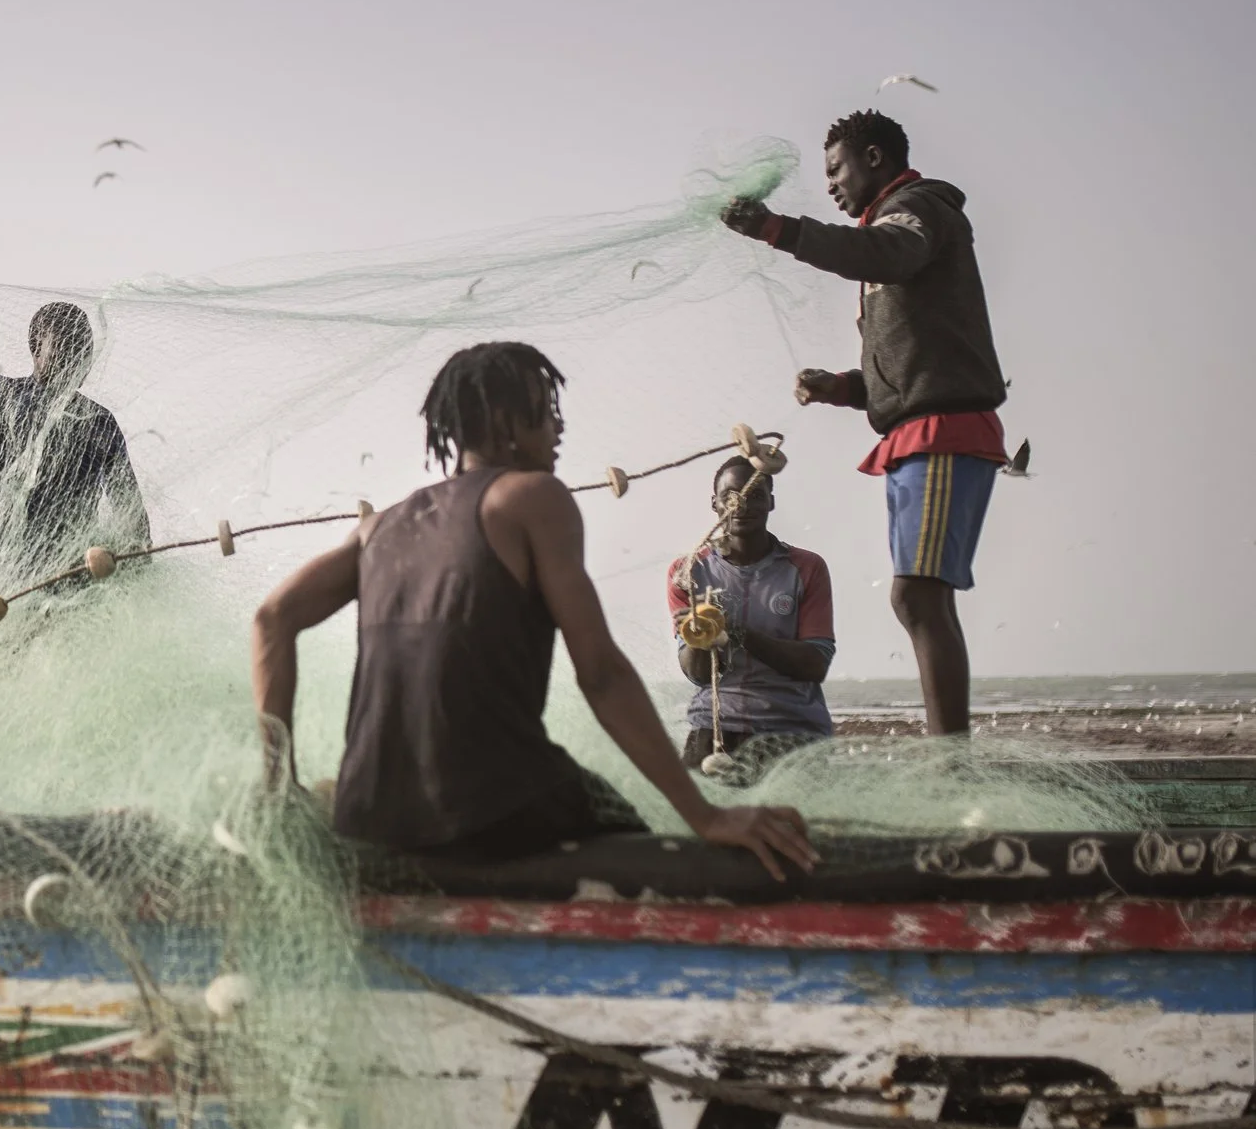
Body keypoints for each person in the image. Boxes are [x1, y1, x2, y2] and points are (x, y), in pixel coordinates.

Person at [250, 343, 817, 878]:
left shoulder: (380, 525)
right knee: (639, 830)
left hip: (367, 813)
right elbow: (601, 674)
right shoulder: (532, 498)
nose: (559, 428)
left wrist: (278, 785)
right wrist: (707, 816)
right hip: (493, 806)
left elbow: (271, 619)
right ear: (504, 422)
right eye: (546, 411)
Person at [722, 110, 1007, 735]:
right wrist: (845, 387)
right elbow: (910, 365)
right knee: (921, 597)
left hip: (945, 431)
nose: (829, 184)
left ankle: (949, 761)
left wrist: (775, 228)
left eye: (836, 169)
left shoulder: (915, 209)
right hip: (913, 435)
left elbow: (888, 254)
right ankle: (949, 752)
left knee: (917, 596)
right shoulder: (890, 223)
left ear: (874, 158)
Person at [0, 276, 150, 580]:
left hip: (74, 590)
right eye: (64, 346)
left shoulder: (99, 421)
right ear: (35, 347)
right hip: (4, 586)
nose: (75, 357)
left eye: (83, 348)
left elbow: (132, 518)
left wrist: (127, 555)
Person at [667, 459, 836, 769]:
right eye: (730, 496)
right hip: (714, 731)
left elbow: (815, 664)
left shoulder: (807, 567)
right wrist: (699, 636)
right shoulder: (688, 572)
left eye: (755, 495)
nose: (741, 505)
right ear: (715, 504)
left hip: (795, 729)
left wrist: (735, 630)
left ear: (771, 502)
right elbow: (699, 674)